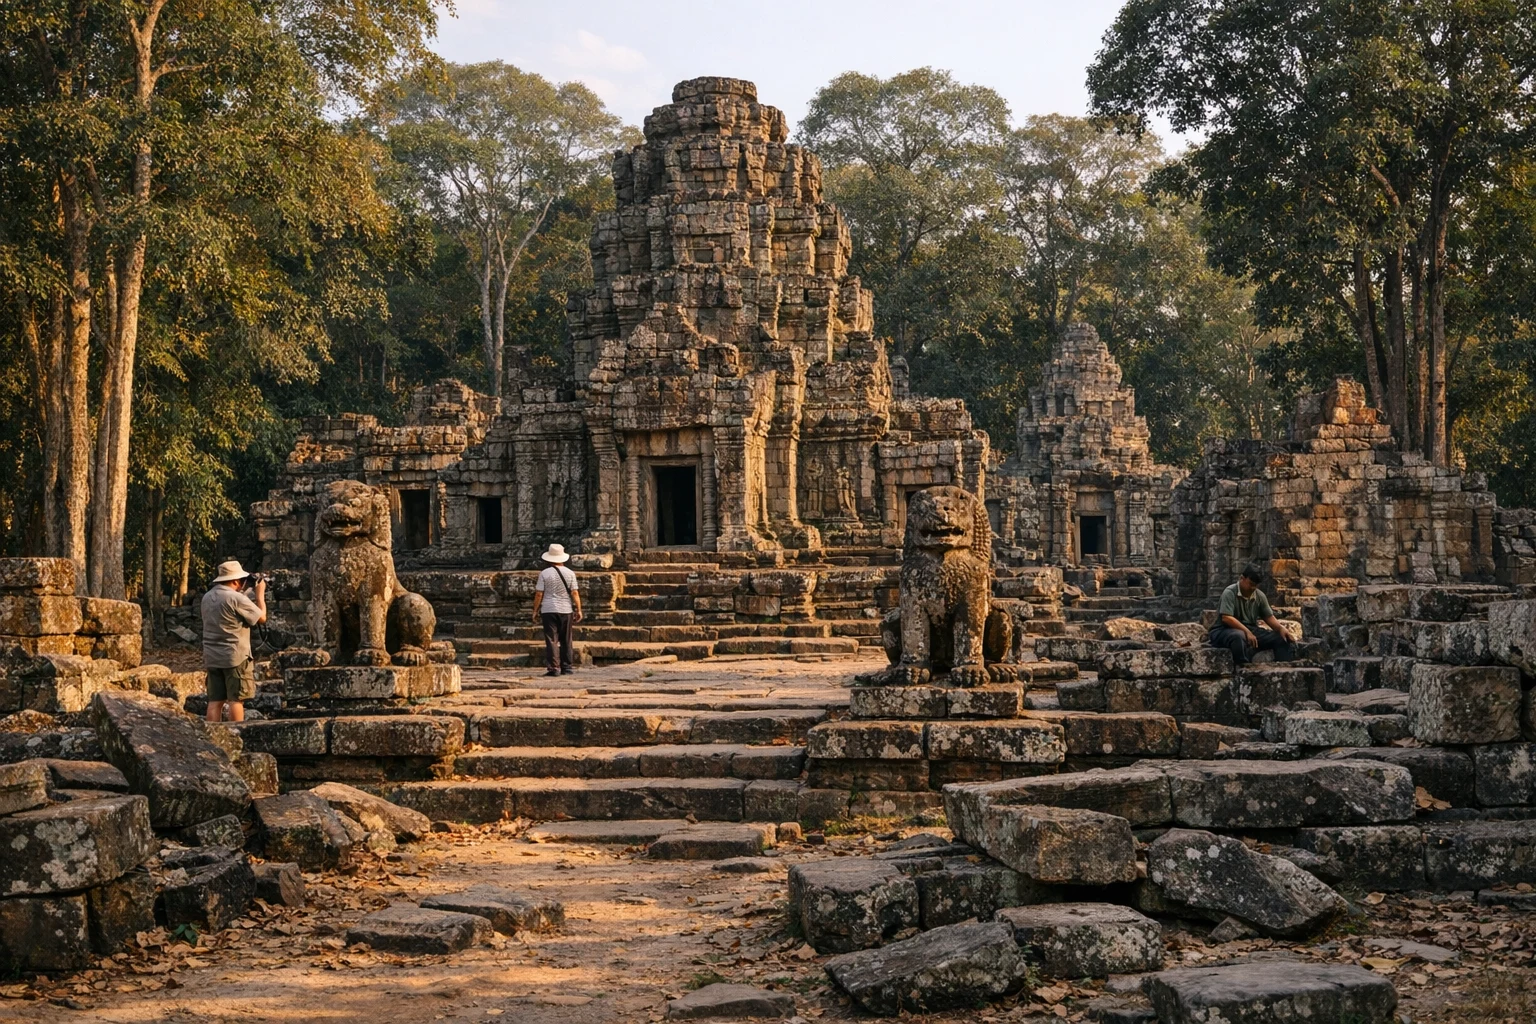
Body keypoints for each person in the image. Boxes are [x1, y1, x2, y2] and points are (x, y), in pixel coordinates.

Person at [200, 560, 266, 723]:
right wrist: (260, 595)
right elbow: (261, 618)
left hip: (212, 656)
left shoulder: (207, 597)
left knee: (215, 701)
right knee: (236, 700)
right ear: (235, 581)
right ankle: (235, 735)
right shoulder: (236, 598)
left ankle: (212, 736)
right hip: (235, 657)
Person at [1208, 562, 1296, 670]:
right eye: (1250, 584)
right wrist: (1247, 632)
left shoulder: (1259, 596)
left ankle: (1284, 668)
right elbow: (1226, 618)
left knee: (1280, 638)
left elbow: (1268, 617)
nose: (1253, 588)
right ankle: (1244, 668)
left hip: (1250, 629)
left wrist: (1281, 629)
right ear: (1242, 578)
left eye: (1255, 585)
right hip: (1224, 630)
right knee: (1238, 637)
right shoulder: (1229, 592)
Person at [532, 544, 581, 676]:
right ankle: (567, 666)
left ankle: (554, 667)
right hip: (566, 609)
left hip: (548, 609)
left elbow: (539, 594)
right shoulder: (570, 573)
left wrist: (535, 610)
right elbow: (574, 593)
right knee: (566, 639)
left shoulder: (544, 573)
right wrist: (579, 609)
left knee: (551, 639)